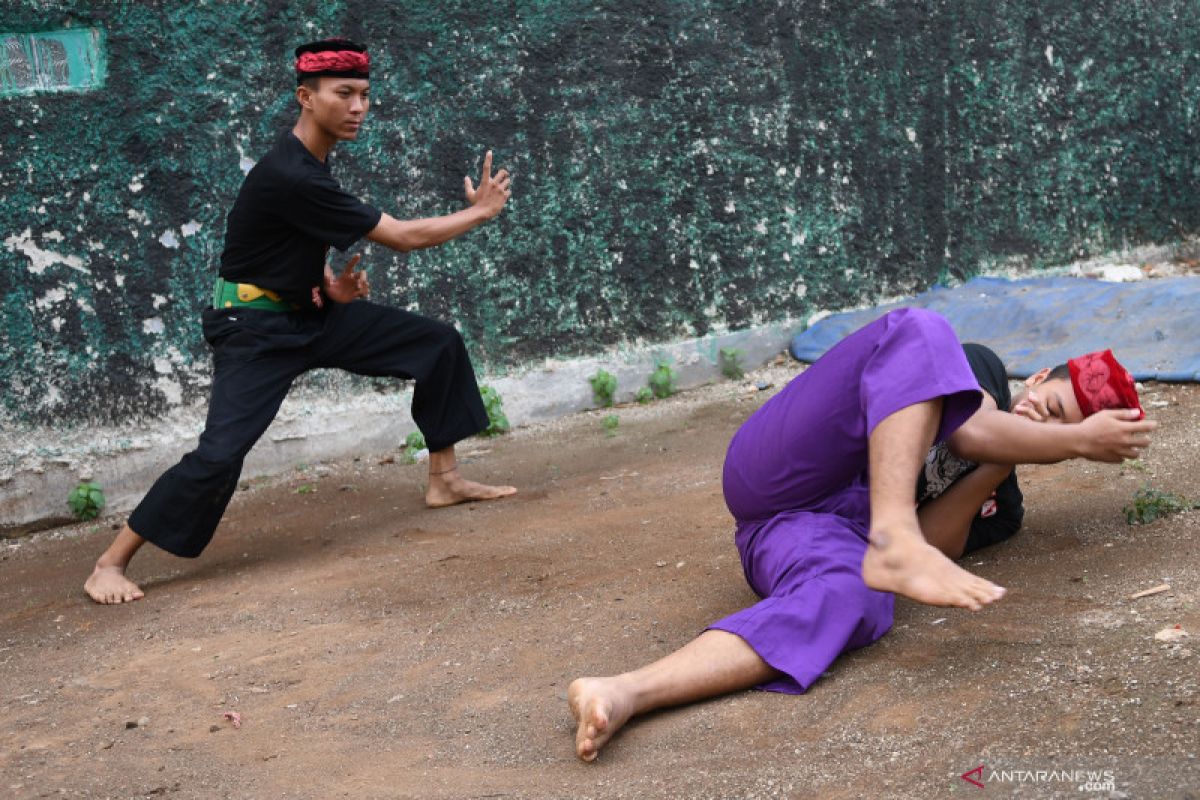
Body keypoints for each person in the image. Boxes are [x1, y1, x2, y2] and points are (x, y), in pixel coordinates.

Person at [568, 307, 1154, 761]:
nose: (1040, 423)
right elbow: (974, 431)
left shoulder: (1004, 506)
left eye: (1061, 430)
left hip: (797, 532)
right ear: (1039, 379)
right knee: (922, 332)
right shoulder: (978, 372)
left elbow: (937, 544)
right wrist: (1075, 441)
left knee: (856, 596)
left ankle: (626, 691)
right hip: (784, 466)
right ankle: (888, 534)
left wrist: (998, 472)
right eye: (1050, 406)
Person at [86, 39, 516, 604]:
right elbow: (404, 238)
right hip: (254, 329)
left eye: (364, 94)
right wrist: (479, 212)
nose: (358, 106)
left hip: (307, 313)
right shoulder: (291, 173)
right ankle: (109, 564)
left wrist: (329, 287)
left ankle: (444, 479)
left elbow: (295, 237)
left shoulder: (311, 164)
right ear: (305, 98)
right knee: (219, 454)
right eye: (344, 94)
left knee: (436, 343)